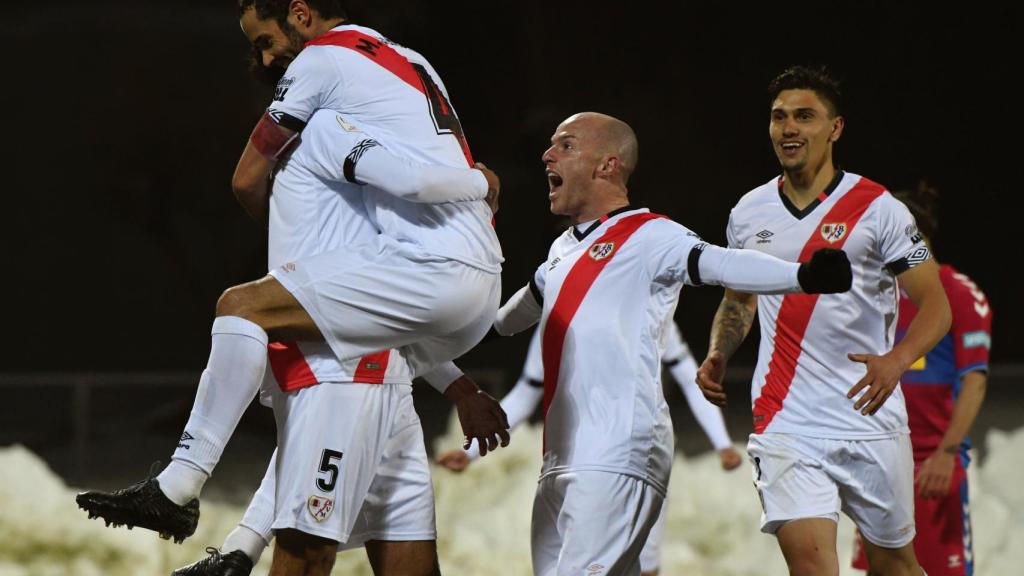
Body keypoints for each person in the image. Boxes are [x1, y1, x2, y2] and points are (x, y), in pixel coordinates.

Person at [77, 0, 508, 558]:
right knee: (401, 557)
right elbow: (388, 300)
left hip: (378, 334)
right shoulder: (407, 67)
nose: (264, 60)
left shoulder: (324, 99)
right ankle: (236, 546)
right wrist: (459, 385)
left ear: (301, 14)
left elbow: (245, 179)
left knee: (243, 307)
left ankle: (179, 485)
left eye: (264, 41)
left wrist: (480, 181)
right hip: (430, 308)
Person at [486, 111, 852, 575]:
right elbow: (505, 319)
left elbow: (722, 263)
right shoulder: (561, 253)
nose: (547, 154)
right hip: (560, 457)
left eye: (566, 145)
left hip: (619, 449)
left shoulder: (650, 234)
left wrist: (802, 276)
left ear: (608, 165)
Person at [161, 107, 507, 576]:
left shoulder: (376, 201)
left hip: (386, 385)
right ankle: (185, 486)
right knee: (306, 555)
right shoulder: (359, 171)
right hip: (340, 375)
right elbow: (246, 184)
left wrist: (461, 389)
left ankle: (219, 527)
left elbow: (394, 317)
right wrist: (479, 184)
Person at [695, 66, 952, 576]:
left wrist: (896, 360)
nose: (788, 128)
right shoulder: (748, 213)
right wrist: (719, 353)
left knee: (894, 565)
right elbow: (738, 300)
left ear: (835, 128)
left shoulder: (880, 209)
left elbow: (936, 305)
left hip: (870, 416)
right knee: (813, 569)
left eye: (804, 116)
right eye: (779, 117)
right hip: (787, 421)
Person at [436, 322, 744, 576]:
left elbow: (692, 380)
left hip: (643, 459)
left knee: (643, 564)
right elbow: (527, 391)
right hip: (577, 461)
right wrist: (471, 452)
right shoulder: (556, 322)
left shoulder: (654, 311)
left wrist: (722, 443)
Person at [850, 183, 992, 576]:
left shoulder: (958, 292)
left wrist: (947, 453)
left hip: (932, 465)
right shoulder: (874, 292)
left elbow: (975, 380)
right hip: (879, 462)